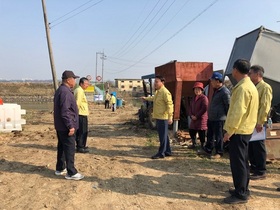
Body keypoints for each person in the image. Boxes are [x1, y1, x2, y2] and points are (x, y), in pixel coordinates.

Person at [223, 59, 258, 204]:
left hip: (239, 130)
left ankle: (241, 194)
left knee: (238, 163)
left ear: (236, 70)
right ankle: (243, 188)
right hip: (245, 129)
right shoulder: (249, 85)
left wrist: (229, 132)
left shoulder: (243, 88)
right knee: (243, 161)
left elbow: (238, 112)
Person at [53, 70, 84, 180]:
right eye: (73, 79)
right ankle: (71, 172)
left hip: (60, 126)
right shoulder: (65, 92)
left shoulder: (61, 90)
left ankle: (60, 168)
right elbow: (65, 111)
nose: (75, 81)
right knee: (70, 148)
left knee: (62, 147)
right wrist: (70, 125)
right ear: (68, 80)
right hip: (66, 126)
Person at [197, 72, 230, 158]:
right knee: (210, 135)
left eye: (212, 81)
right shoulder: (216, 91)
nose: (211, 82)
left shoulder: (224, 92)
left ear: (218, 81)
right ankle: (208, 149)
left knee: (219, 136)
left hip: (220, 118)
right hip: (212, 118)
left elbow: (228, 106)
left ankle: (219, 152)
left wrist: (228, 119)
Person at [248, 65, 273, 180]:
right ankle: (254, 167)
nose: (249, 75)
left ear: (258, 74)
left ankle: (261, 171)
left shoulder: (265, 87)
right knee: (252, 146)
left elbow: (265, 106)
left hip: (259, 122)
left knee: (258, 146)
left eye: (251, 73)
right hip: (251, 121)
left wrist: (260, 122)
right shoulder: (254, 86)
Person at [142, 75, 174, 159]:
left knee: (162, 136)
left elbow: (170, 105)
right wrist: (146, 98)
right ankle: (167, 151)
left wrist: (170, 117)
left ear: (162, 82)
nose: (154, 83)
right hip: (159, 117)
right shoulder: (158, 92)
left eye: (156, 82)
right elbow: (154, 98)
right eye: (154, 82)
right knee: (164, 135)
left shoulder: (165, 92)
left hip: (163, 118)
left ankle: (161, 153)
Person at [188, 82, 208, 149]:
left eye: (198, 89)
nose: (197, 91)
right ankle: (194, 143)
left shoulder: (204, 98)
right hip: (193, 119)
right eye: (195, 89)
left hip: (201, 118)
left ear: (202, 90)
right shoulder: (193, 98)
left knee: (201, 132)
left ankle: (203, 145)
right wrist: (191, 115)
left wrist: (197, 116)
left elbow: (204, 108)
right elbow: (190, 108)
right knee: (192, 131)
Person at [74, 77, 90, 153]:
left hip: (82, 113)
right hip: (80, 114)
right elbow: (77, 103)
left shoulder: (80, 90)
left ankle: (82, 145)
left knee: (84, 131)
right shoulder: (79, 91)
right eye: (86, 84)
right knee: (82, 131)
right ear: (81, 83)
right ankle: (80, 146)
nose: (87, 85)